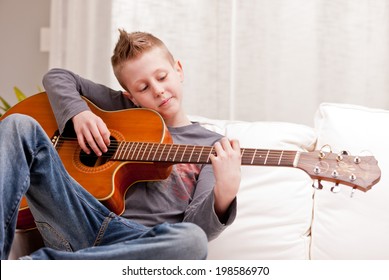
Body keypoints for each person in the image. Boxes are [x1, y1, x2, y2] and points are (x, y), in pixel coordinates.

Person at [0, 30, 241, 260]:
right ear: (131, 97)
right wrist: (80, 114)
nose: (157, 90)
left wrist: (224, 193)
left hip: (141, 242)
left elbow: (196, 227)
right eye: (143, 88)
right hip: (81, 219)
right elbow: (57, 77)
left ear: (178, 70)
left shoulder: (213, 146)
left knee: (192, 240)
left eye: (162, 77)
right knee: (18, 124)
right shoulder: (125, 110)